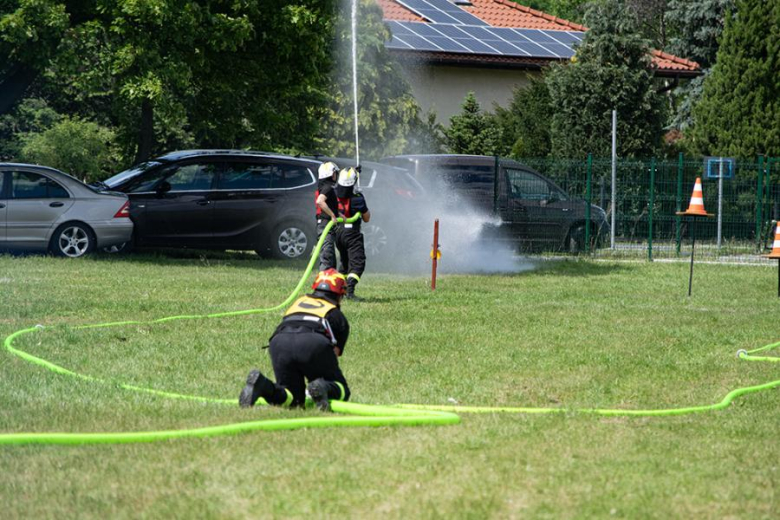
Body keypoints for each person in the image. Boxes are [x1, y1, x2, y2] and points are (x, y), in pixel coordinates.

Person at [239, 269, 351, 411]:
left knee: (294, 401)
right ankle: (322, 387)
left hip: (279, 342)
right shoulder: (335, 314)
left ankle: (263, 385)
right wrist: (319, 381)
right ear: (340, 294)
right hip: (312, 342)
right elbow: (333, 353)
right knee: (342, 389)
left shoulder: (297, 303)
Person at [334, 167, 371, 300]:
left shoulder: (333, 194)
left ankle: (340, 290)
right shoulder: (357, 198)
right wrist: (361, 198)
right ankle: (349, 291)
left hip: (338, 233)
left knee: (345, 262)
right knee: (357, 262)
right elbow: (367, 218)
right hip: (352, 234)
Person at [315, 162, 340, 271]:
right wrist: (333, 216)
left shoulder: (323, 186)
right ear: (332, 174)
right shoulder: (328, 187)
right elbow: (320, 201)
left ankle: (330, 283)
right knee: (327, 257)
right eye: (335, 173)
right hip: (325, 225)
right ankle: (324, 284)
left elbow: (330, 205)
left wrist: (340, 215)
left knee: (330, 257)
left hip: (325, 225)